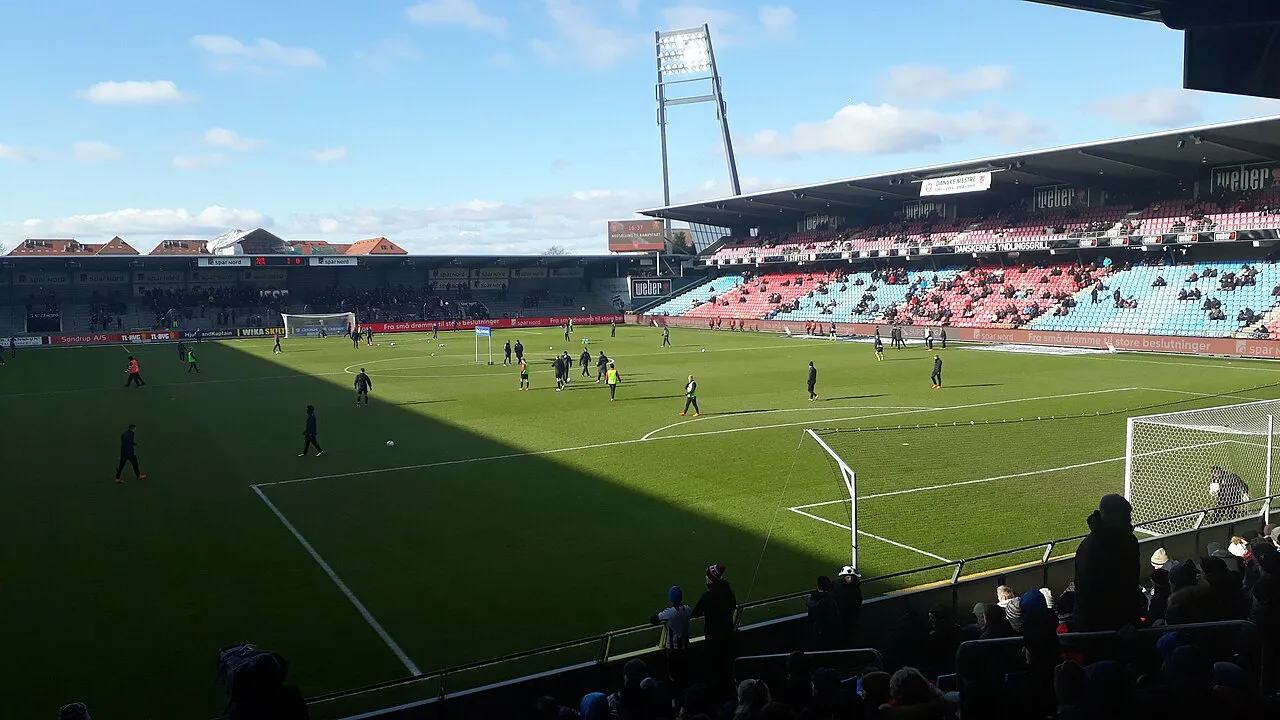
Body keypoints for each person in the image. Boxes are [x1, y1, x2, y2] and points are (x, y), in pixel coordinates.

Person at [1073, 494, 1140, 631]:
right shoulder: (1092, 549)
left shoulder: (1128, 540)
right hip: (1101, 623)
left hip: (1121, 618)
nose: (1129, 519)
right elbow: (1088, 592)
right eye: (1125, 515)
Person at [650, 585, 692, 695]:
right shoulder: (688, 609)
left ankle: (676, 702)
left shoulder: (669, 613)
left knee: (674, 677)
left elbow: (653, 619)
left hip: (673, 651)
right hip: (686, 648)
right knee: (685, 675)